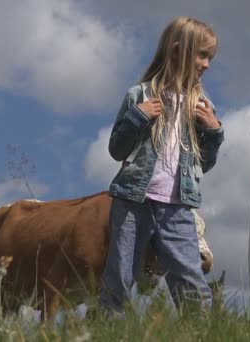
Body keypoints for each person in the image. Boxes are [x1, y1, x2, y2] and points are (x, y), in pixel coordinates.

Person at [99, 16, 224, 315]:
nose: (207, 64)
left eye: (210, 57)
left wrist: (214, 130)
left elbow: (204, 165)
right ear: (178, 50)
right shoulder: (139, 95)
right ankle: (108, 332)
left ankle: (199, 335)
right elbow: (117, 150)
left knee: (190, 279)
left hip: (178, 206)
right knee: (119, 277)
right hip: (132, 201)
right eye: (202, 55)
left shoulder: (203, 107)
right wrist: (138, 117)